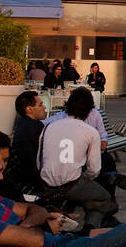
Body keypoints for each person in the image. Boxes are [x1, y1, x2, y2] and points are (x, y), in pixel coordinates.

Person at [39, 87, 118, 231]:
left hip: (46, 183)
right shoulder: (90, 132)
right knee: (103, 197)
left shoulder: (49, 127)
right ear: (89, 110)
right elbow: (94, 170)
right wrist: (86, 178)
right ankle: (89, 228)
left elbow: (40, 161)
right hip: (72, 184)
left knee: (87, 192)